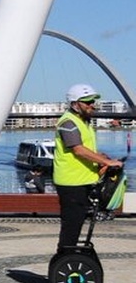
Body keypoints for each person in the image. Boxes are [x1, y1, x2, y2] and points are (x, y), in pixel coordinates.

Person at [53, 84, 122, 251]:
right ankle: (65, 258)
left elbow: (86, 149)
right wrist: (108, 163)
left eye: (93, 101)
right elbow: (78, 149)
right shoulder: (68, 123)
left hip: (82, 181)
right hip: (71, 183)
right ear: (75, 104)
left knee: (77, 223)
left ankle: (70, 257)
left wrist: (101, 157)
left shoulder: (84, 122)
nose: (92, 104)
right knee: (71, 224)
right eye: (88, 102)